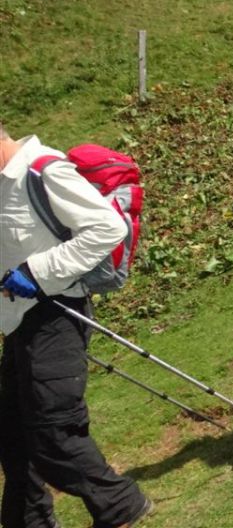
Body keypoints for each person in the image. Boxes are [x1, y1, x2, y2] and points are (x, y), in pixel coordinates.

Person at [0, 122, 154, 528]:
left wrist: (36, 272)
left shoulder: (43, 169)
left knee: (53, 429)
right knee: (13, 434)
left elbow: (107, 227)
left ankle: (119, 505)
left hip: (57, 310)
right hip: (17, 320)